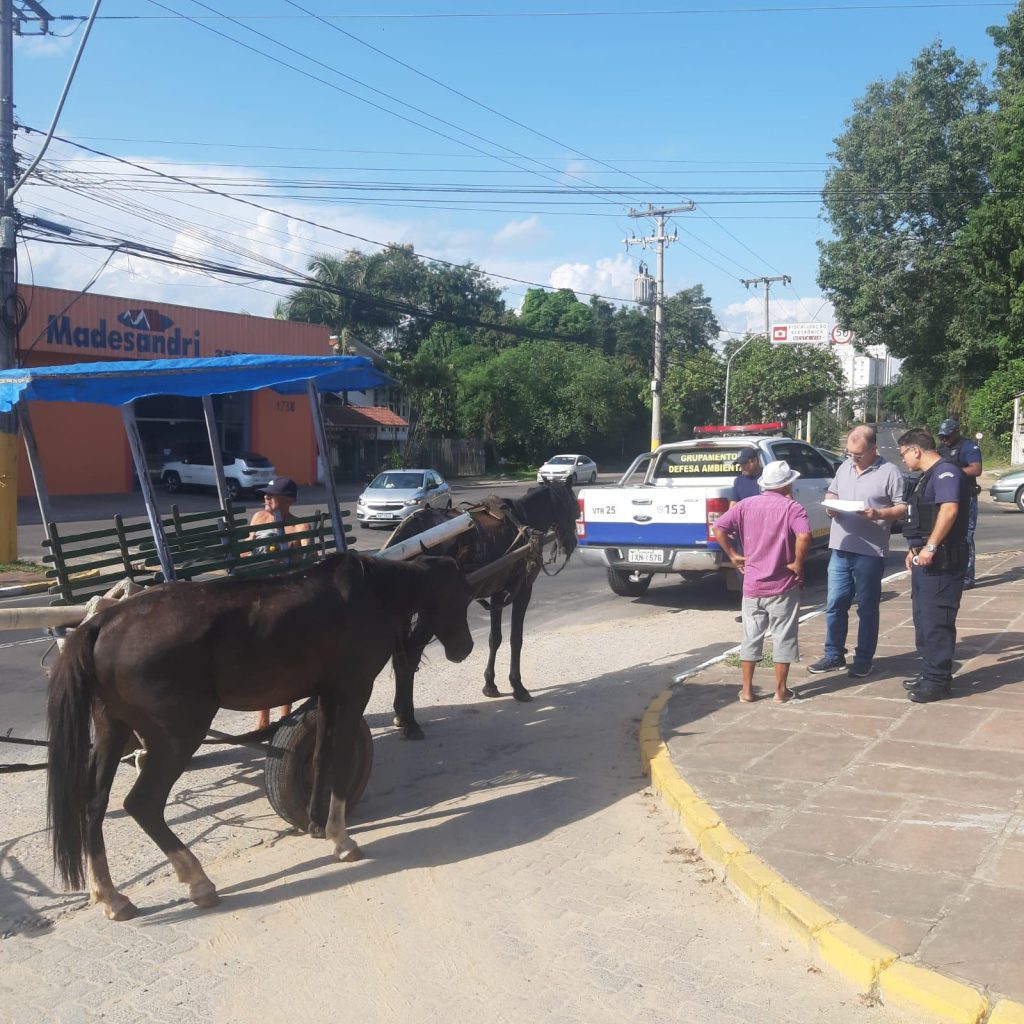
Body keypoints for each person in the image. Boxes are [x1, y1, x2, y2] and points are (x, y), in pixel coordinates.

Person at [807, 425, 906, 679]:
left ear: (874, 449)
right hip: (840, 546)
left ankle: (863, 659)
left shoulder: (890, 472)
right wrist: (830, 505)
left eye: (858, 455)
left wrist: (880, 514)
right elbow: (833, 491)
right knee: (835, 604)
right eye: (849, 453)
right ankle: (833, 654)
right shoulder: (844, 467)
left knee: (867, 607)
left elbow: (902, 507)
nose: (853, 458)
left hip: (869, 551)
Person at [713, 460, 812, 704]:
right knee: (783, 636)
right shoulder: (792, 508)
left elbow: (718, 527)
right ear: (787, 483)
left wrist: (733, 555)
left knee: (750, 637)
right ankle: (781, 691)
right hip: (782, 585)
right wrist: (798, 564)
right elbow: (804, 536)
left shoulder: (746, 506)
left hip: (752, 584)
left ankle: (746, 690)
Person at [897, 429, 971, 703]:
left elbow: (949, 510)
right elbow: (922, 517)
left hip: (942, 561)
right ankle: (929, 672)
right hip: (924, 560)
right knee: (923, 620)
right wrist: (914, 548)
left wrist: (930, 547)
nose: (902, 459)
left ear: (916, 450)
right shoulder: (926, 477)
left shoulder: (945, 473)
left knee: (937, 621)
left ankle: (937, 681)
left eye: (903, 453)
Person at [248, 476, 310, 730]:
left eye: (272, 495)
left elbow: (308, 561)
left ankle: (285, 715)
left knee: (286, 661)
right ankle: (262, 719)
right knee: (260, 661)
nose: (266, 498)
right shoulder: (258, 519)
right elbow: (245, 551)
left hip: (285, 600)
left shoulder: (299, 527)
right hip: (256, 594)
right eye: (265, 494)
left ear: (290, 500)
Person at [937, 417, 982, 588]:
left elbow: (976, 469)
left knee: (966, 536)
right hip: (946, 497)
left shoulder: (968, 446)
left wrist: (953, 471)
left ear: (956, 433)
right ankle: (949, 571)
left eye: (947, 436)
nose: (944, 440)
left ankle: (967, 576)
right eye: (942, 436)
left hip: (966, 497)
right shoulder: (941, 448)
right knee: (945, 534)